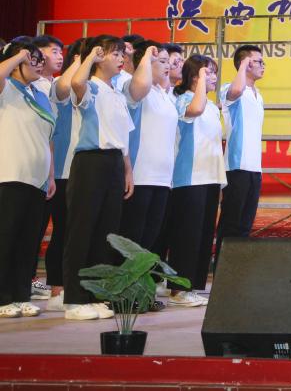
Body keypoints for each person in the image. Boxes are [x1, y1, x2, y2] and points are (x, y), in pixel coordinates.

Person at [63, 35, 134, 321]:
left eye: (122, 54)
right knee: (82, 230)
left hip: (115, 163)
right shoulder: (90, 85)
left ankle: (96, 294)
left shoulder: (117, 93)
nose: (121, 59)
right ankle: (74, 300)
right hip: (90, 162)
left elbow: (123, 138)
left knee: (106, 232)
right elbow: (76, 83)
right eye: (115, 54)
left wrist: (127, 171)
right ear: (100, 56)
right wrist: (90, 57)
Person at [0, 42, 56, 318]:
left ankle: (21, 295)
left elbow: (48, 138)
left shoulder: (40, 95)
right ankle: (2, 298)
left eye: (38, 59)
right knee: (6, 239)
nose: (38, 64)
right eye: (31, 59)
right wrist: (18, 55)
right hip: (10, 175)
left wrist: (51, 175)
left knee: (28, 242)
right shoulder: (7, 89)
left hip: (38, 179)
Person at [117, 42, 174, 303]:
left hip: (162, 179)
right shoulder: (135, 88)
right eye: (161, 60)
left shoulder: (165, 95)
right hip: (139, 176)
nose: (168, 65)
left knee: (150, 241)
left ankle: (141, 293)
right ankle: (122, 294)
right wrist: (145, 57)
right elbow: (139, 84)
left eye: (167, 61)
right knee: (133, 239)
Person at [167, 55, 225, 307]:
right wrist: (200, 78)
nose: (213, 77)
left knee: (202, 234)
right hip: (189, 178)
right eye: (208, 72)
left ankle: (192, 286)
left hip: (210, 177)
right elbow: (195, 110)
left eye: (213, 73)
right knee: (187, 234)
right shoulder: (184, 100)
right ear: (194, 76)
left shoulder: (211, 106)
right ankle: (178, 289)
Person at [42, 37, 86, 312]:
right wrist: (81, 60)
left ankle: (76, 286)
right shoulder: (61, 83)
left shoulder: (94, 87)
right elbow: (63, 89)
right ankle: (57, 287)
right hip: (62, 169)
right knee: (63, 229)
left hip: (85, 170)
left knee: (79, 232)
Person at [215, 44, 265, 265]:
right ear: (245, 63)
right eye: (258, 61)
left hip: (255, 169)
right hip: (236, 167)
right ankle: (222, 271)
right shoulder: (230, 88)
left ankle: (236, 271)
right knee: (231, 224)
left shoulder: (258, 95)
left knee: (245, 225)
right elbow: (235, 92)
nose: (263, 65)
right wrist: (243, 64)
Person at [27, 35, 64, 301]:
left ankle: (38, 279)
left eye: (61, 51)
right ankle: (25, 278)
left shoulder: (55, 85)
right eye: (53, 51)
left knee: (45, 227)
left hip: (54, 168)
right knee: (29, 227)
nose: (59, 56)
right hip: (32, 166)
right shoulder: (32, 87)